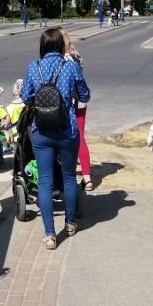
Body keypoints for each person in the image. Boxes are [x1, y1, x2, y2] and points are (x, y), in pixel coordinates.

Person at [21, 27, 91, 250]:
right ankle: (70, 224)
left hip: (42, 131)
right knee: (69, 177)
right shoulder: (70, 67)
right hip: (67, 129)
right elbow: (86, 95)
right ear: (61, 45)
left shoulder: (34, 67)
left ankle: (50, 235)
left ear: (42, 46)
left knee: (45, 181)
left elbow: (25, 97)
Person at [59, 27, 93, 191]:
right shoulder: (76, 54)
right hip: (80, 101)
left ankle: (66, 176)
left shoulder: (63, 57)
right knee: (80, 138)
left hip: (67, 103)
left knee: (62, 138)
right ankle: (87, 178)